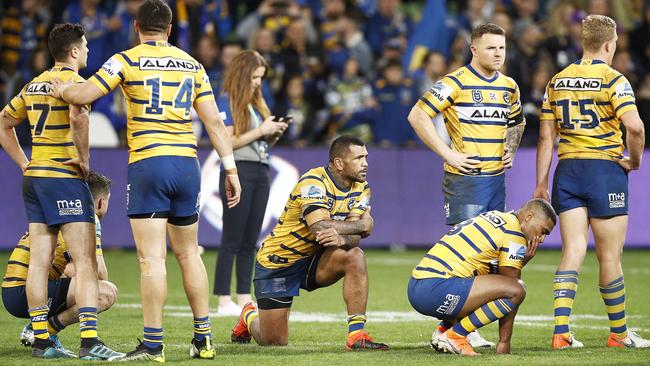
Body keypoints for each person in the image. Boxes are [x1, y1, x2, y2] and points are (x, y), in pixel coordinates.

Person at [49, 0, 242, 361]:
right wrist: (230, 169)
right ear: (169, 29)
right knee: (189, 253)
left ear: (136, 27)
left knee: (152, 259)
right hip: (188, 164)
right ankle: (203, 340)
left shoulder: (126, 59)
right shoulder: (193, 64)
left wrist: (59, 87)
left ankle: (154, 345)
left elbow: (85, 95)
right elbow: (215, 124)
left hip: (149, 163)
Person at [0, 23, 122, 360]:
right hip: (63, 177)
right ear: (73, 51)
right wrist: (83, 160)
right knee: (84, 262)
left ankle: (42, 340)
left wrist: (25, 163)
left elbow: (3, 123)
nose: (86, 50)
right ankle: (89, 342)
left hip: (36, 177)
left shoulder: (33, 83)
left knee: (39, 261)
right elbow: (80, 120)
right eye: (84, 45)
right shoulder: (76, 83)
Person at [534, 14, 650, 350]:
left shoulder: (557, 80)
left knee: (572, 251)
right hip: (604, 171)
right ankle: (619, 333)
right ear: (610, 44)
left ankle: (560, 333)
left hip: (567, 172)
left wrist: (541, 183)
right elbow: (636, 128)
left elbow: (545, 138)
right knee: (610, 256)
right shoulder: (615, 80)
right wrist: (635, 161)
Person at [407, 23, 526, 347]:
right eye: (491, 48)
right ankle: (452, 330)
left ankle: (457, 329)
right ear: (474, 50)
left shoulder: (508, 86)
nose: (498, 53)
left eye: (501, 47)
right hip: (465, 180)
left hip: (495, 180)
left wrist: (510, 151)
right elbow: (417, 115)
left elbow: (517, 121)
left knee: (487, 255)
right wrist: (447, 152)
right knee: (467, 254)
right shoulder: (454, 83)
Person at [230, 135, 389, 351]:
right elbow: (319, 227)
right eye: (359, 158)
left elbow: (352, 240)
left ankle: (356, 335)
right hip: (280, 261)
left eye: (366, 157)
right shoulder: (313, 182)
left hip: (314, 259)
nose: (366, 163)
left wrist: (343, 238)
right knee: (274, 341)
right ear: (339, 163)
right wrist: (363, 226)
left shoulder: (362, 188)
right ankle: (249, 314)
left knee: (354, 256)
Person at [408, 199, 557, 356]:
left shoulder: (497, 216)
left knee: (488, 280)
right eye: (543, 231)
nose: (541, 239)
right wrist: (504, 343)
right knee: (517, 290)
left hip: (417, 287)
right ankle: (455, 335)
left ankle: (444, 330)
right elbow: (511, 286)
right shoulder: (515, 234)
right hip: (437, 289)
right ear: (529, 217)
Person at [3, 171, 117, 358]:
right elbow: (100, 274)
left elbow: (69, 269)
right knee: (106, 292)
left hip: (13, 292)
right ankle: (44, 332)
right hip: (25, 292)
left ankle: (39, 330)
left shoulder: (57, 209)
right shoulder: (85, 218)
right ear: (100, 202)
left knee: (76, 277)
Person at [214, 49, 287, 316]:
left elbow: (262, 143)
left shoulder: (257, 104)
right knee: (231, 237)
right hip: (238, 170)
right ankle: (223, 299)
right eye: (255, 76)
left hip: (260, 170)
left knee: (250, 240)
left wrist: (273, 133)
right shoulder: (226, 100)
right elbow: (228, 141)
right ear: (243, 74)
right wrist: (261, 130)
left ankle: (244, 297)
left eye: (261, 77)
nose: (258, 82)